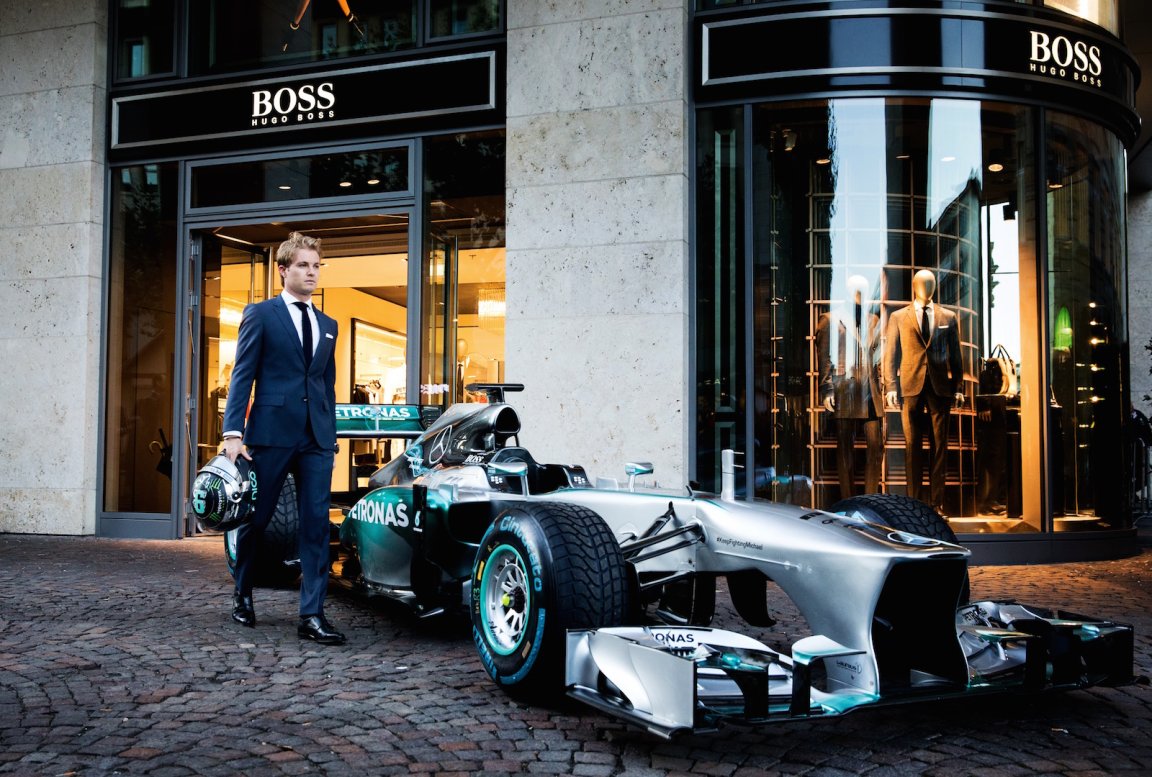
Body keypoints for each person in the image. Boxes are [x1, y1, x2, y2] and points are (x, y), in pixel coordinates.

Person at [220, 232, 344, 645]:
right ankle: (242, 593)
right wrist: (233, 433)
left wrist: (330, 435)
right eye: (303, 265)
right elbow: (243, 374)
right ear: (283, 270)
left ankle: (312, 615)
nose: (311, 273)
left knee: (316, 525)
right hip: (271, 435)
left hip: (316, 441)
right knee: (256, 519)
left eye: (316, 266)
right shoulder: (261, 315)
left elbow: (326, 386)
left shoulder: (328, 325)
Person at [883, 269, 964, 514]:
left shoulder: (948, 316)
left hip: (940, 387)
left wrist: (958, 388)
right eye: (922, 284)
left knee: (940, 446)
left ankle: (937, 503)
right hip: (911, 385)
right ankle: (915, 503)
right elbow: (890, 355)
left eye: (931, 284)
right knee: (912, 446)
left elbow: (956, 356)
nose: (927, 288)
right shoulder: (899, 317)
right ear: (914, 286)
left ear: (935, 287)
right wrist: (891, 386)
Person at [815, 274, 884, 497]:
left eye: (864, 290)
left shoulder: (873, 320)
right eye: (857, 290)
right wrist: (827, 389)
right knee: (845, 449)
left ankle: (870, 499)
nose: (861, 294)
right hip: (845, 389)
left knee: (876, 447)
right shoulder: (830, 319)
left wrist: (882, 385)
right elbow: (824, 357)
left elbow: (877, 356)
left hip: (870, 391)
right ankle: (848, 500)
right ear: (849, 292)